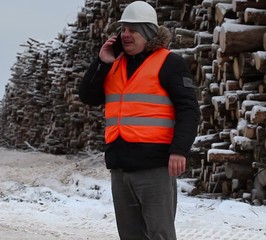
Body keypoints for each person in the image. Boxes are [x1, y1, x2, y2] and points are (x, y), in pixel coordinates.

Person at [79, 1, 200, 239]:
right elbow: (88, 96)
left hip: (154, 166)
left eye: (132, 30)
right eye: (123, 29)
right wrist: (101, 62)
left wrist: (179, 150)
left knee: (160, 235)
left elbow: (189, 110)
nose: (125, 35)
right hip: (120, 166)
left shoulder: (169, 63)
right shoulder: (113, 64)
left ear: (148, 32)